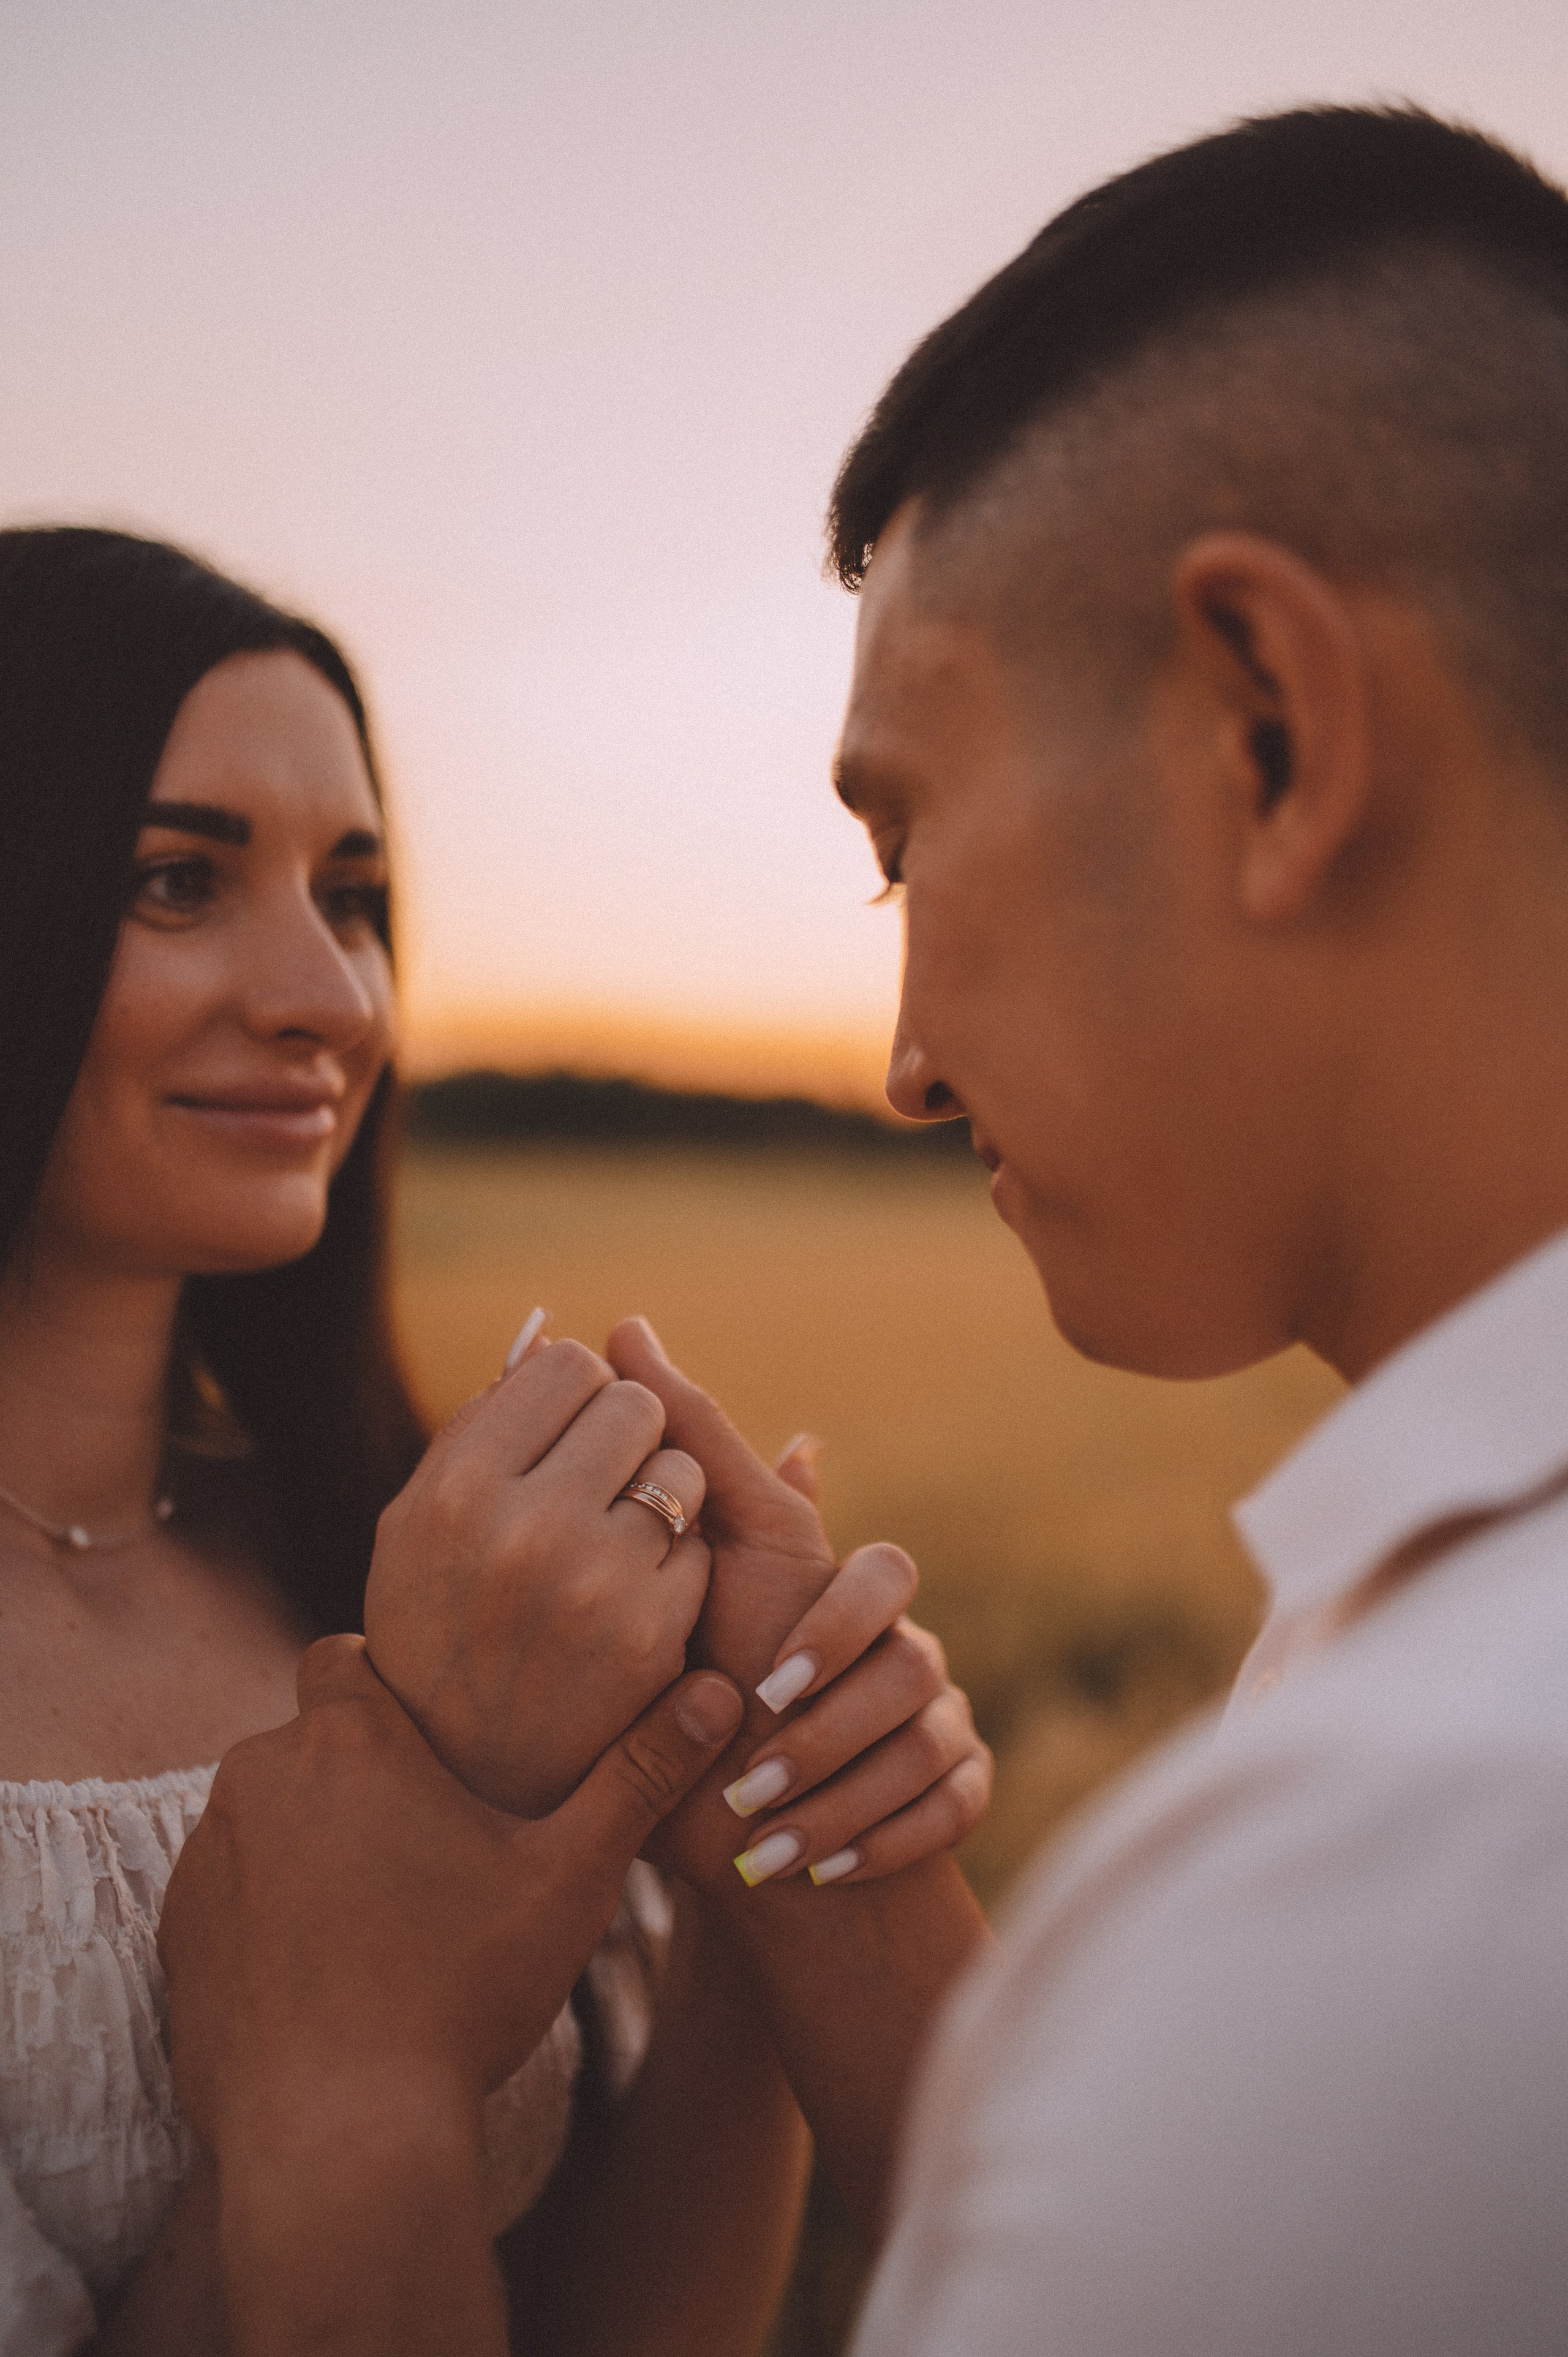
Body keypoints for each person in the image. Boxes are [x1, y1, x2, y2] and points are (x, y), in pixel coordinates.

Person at [164, 97, 1568, 2354]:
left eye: (905, 840)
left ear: (1275, 737)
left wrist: (346, 2110)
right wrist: (832, 1877)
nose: (907, 1065)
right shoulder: (1427, 1700)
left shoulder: (1411, 1867)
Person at [0, 526, 993, 2354]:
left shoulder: (388, 1555)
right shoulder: (461, 1667)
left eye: (352, 897)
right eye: (176, 881)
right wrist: (402, 1903)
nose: (333, 998)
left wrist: (764, 1865)